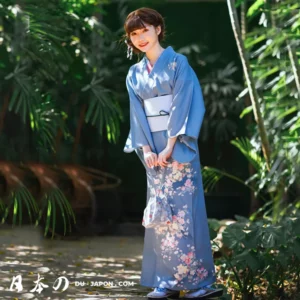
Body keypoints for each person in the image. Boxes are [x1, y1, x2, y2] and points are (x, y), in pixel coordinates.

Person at [122, 7, 223, 299]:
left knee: (184, 213)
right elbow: (136, 114)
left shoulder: (179, 64)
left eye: (145, 30)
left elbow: (185, 104)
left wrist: (170, 145)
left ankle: (198, 283)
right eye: (134, 34)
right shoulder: (134, 74)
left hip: (177, 144)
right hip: (152, 150)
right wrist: (144, 148)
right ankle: (164, 281)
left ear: (158, 29)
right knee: (160, 214)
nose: (140, 38)